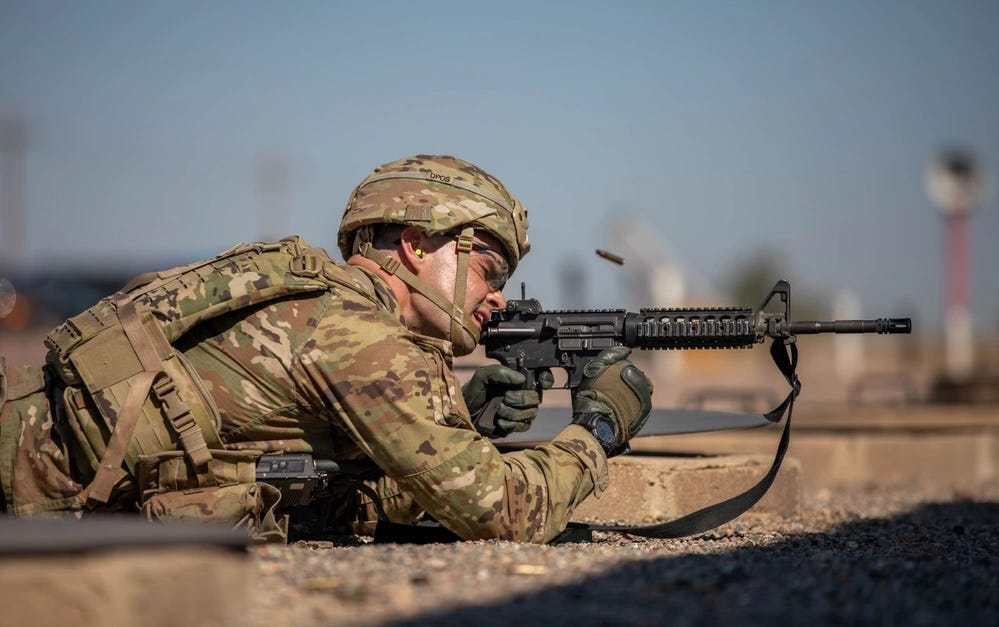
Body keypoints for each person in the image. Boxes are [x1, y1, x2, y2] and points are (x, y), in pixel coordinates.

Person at [0, 154, 653, 543]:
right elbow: (505, 512)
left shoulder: (324, 301)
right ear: (418, 245)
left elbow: (318, 487)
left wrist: (466, 425)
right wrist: (597, 429)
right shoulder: (363, 340)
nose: (498, 298)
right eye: (488, 268)